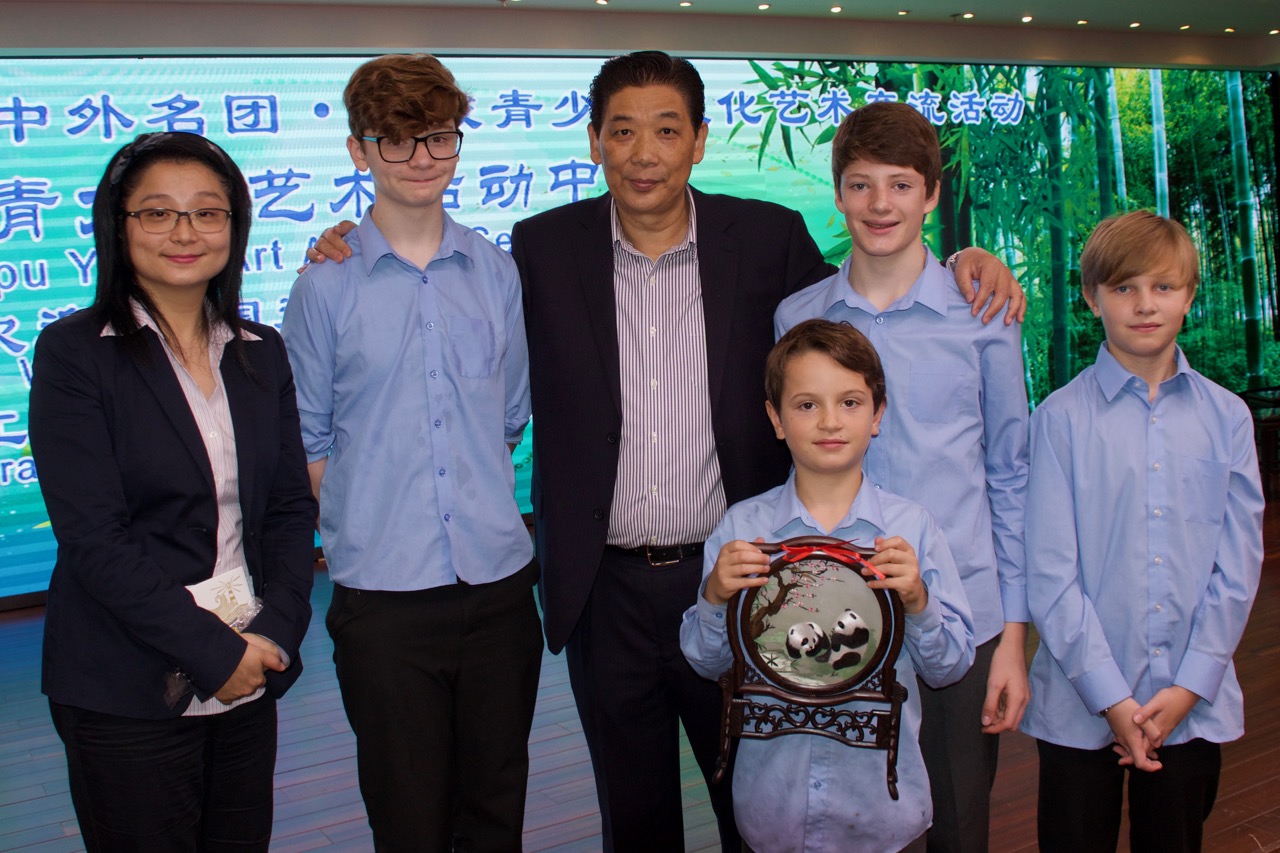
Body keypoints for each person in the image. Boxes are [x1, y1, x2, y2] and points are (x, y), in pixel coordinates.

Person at [305, 51, 1022, 851]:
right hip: (604, 587)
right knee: (634, 816)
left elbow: (862, 289)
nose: (643, 153)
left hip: (743, 577)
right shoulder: (540, 249)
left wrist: (964, 261)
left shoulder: (766, 238)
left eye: (667, 131)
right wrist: (347, 241)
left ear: (700, 139)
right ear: (594, 142)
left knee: (755, 804)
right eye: (622, 132)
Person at [27, 131, 317, 852]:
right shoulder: (74, 353)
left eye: (207, 212)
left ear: (234, 226)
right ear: (118, 225)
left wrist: (273, 634)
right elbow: (95, 539)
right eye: (158, 213)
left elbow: (288, 509)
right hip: (126, 682)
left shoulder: (261, 351)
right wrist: (215, 653)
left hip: (249, 667)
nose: (185, 233)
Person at [280, 54, 542, 852]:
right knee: (408, 818)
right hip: (383, 598)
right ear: (359, 150)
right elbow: (308, 437)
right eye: (395, 140)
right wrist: (369, 522)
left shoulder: (497, 272)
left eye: (438, 136)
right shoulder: (325, 284)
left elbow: (508, 417)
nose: (421, 158)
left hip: (498, 586)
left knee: (496, 809)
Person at [773, 101, 1030, 853]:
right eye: (860, 184)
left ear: (932, 194)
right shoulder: (798, 320)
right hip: (838, 609)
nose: (880, 204)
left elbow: (1010, 476)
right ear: (838, 193)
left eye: (901, 184)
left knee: (958, 823)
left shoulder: (983, 313)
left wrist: (1013, 638)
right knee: (849, 825)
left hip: (960, 611)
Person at [681, 318, 975, 852]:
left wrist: (919, 602)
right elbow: (707, 663)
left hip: (885, 816)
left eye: (850, 402)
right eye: (806, 404)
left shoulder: (912, 531)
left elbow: (949, 667)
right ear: (776, 419)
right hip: (773, 812)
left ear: (877, 415)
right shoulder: (743, 531)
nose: (830, 421)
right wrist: (714, 598)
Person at [1020, 211, 1264, 853]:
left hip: (1192, 703)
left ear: (1189, 295)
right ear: (1091, 297)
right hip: (1079, 701)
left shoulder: (1228, 417)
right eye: (1124, 287)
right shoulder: (1058, 420)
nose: (1145, 304)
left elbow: (1237, 569)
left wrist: (1187, 688)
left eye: (1163, 286)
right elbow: (1050, 575)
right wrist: (1112, 699)